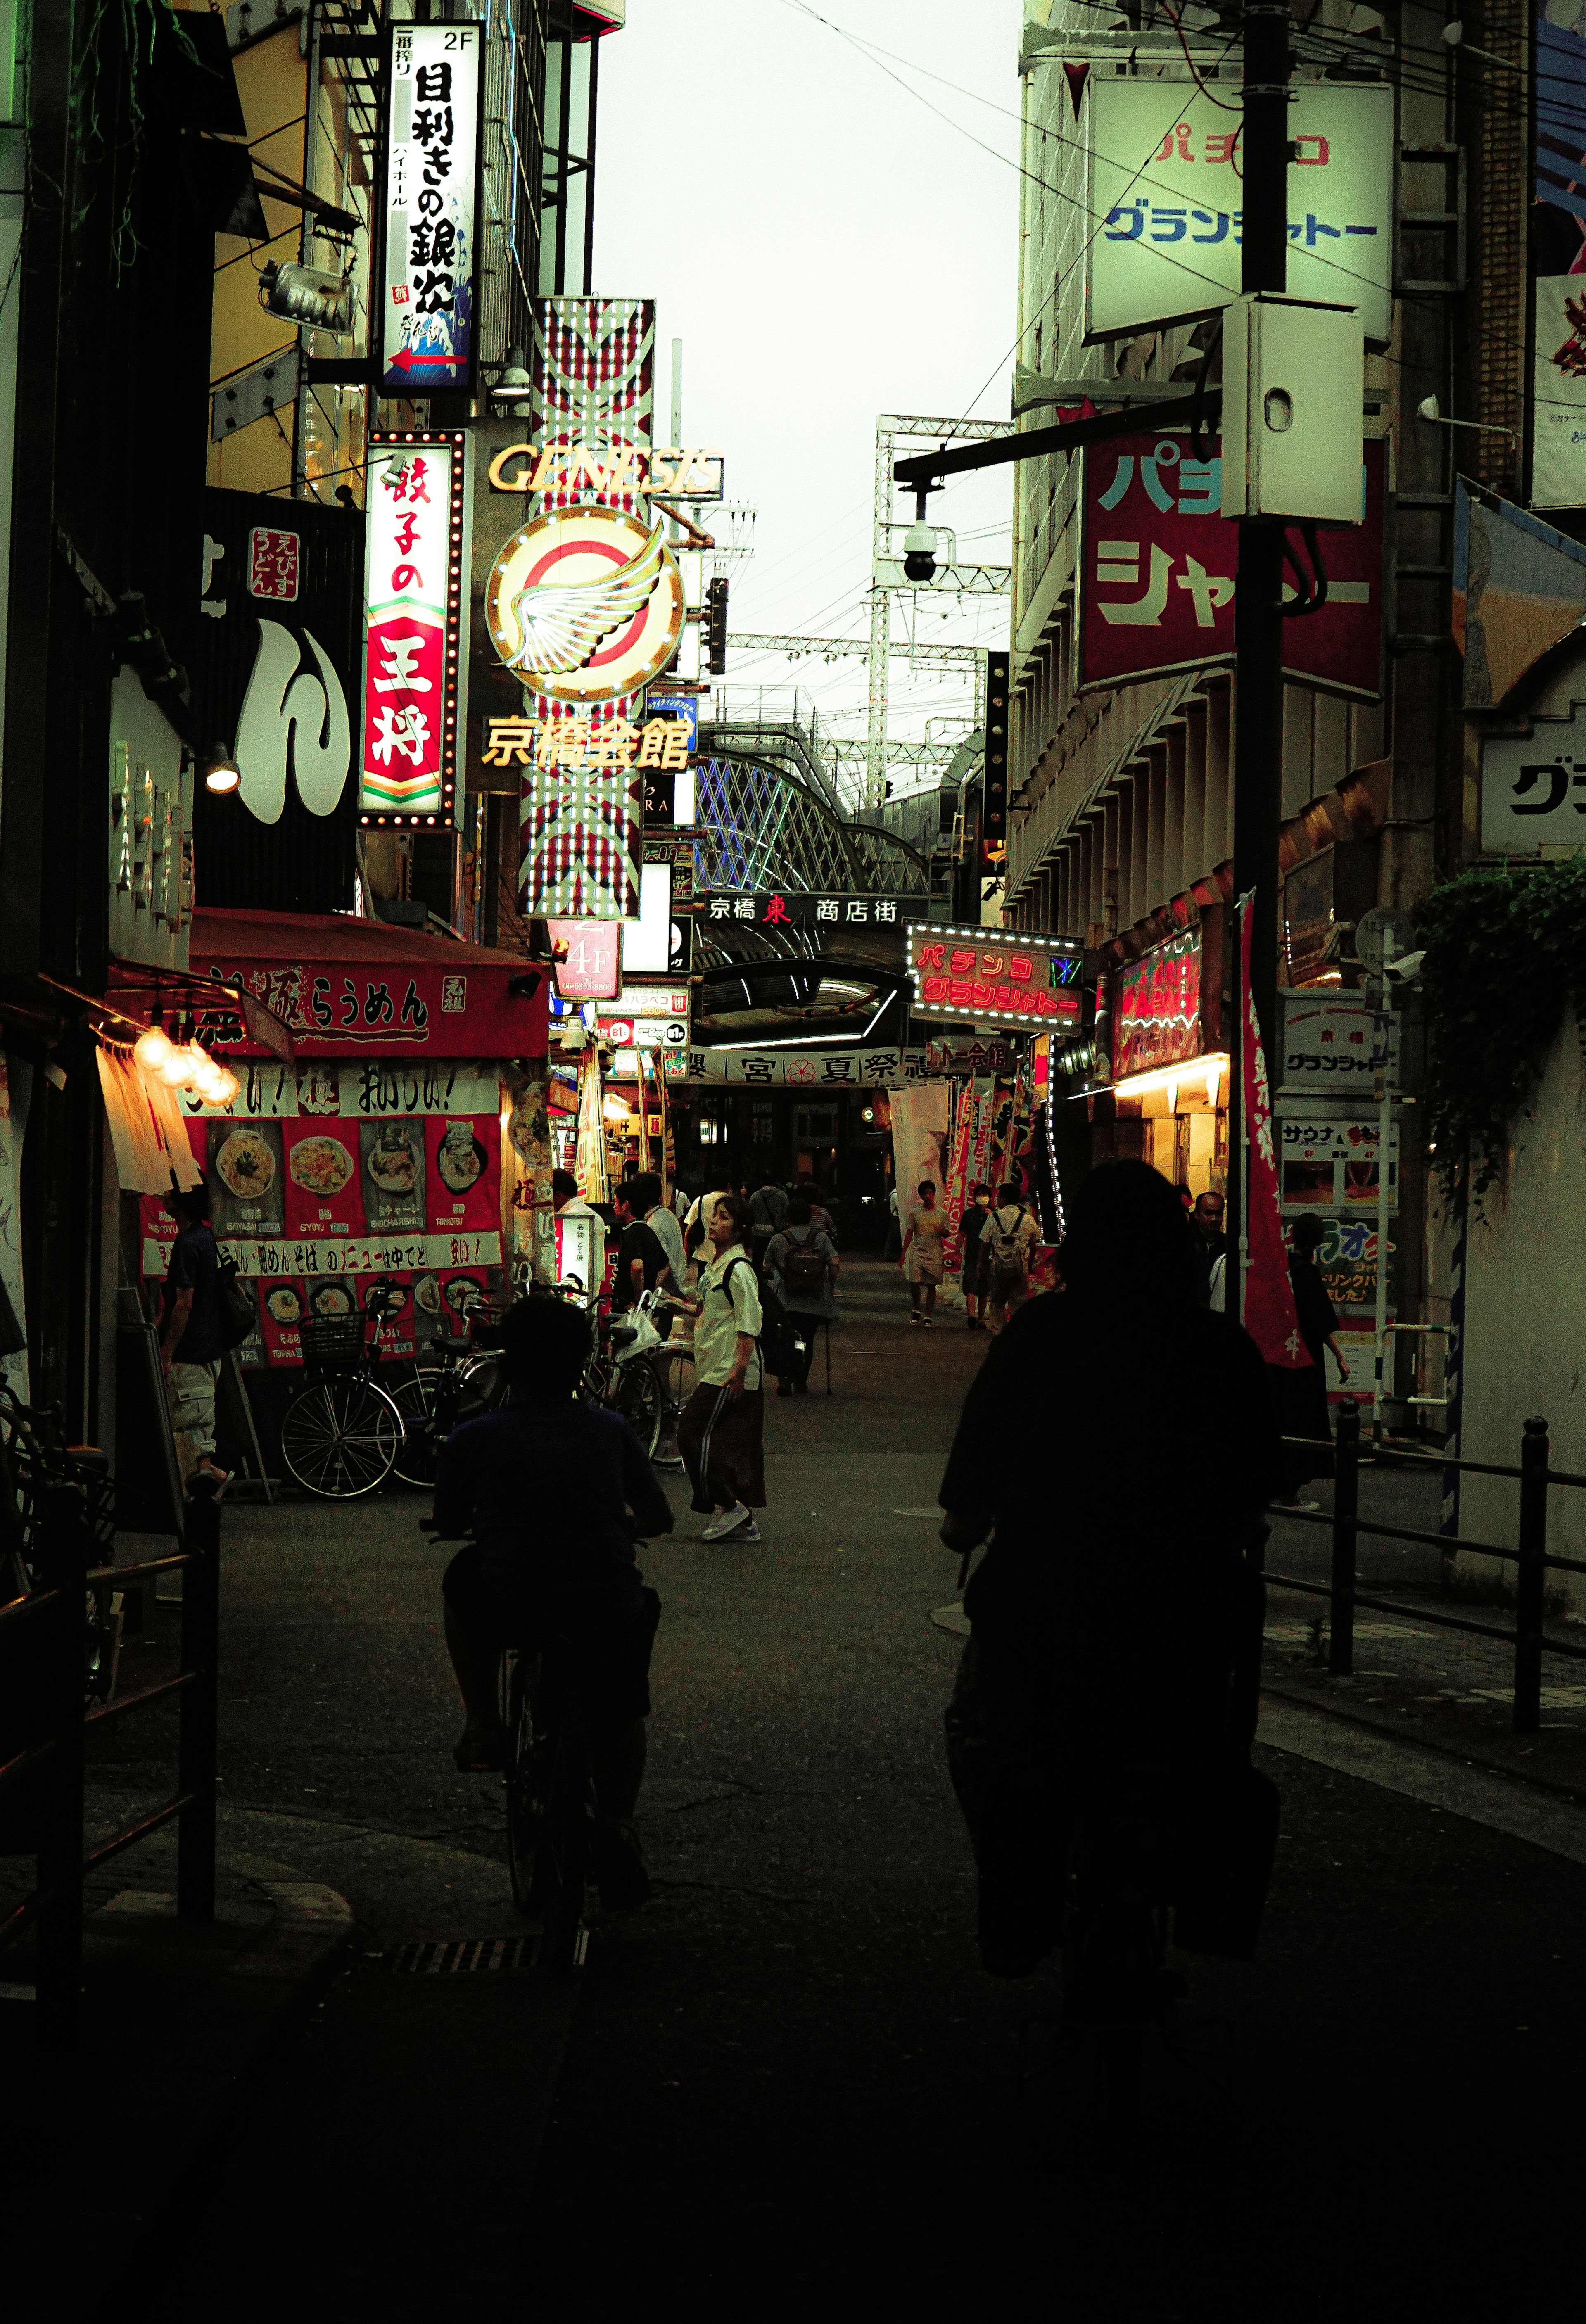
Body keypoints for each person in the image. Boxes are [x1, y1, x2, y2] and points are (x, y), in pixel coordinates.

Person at [936, 1161, 1283, 1977]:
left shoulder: (1037, 1336)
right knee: (1213, 1754)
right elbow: (1260, 1485)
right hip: (1189, 1612)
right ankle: (1202, 1904)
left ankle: (1017, 1912)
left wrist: (972, 1521)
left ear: (1078, 1243)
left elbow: (966, 1503)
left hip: (1043, 1604)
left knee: (990, 1740)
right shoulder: (1219, 1347)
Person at [433, 1296, 670, 1909]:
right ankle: (617, 1824)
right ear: (582, 1368)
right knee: (620, 1707)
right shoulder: (611, 1430)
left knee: (463, 1574)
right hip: (603, 1601)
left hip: (514, 1598)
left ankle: (485, 1722)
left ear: (508, 1367)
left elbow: (452, 1517)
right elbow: (658, 1515)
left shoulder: (475, 1435)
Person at [674, 1193, 765, 1541]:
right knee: (724, 1444)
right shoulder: (718, 1265)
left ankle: (731, 1506)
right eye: (714, 1216)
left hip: (728, 1372)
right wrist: (676, 1305)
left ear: (740, 1229)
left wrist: (739, 1370)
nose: (714, 1222)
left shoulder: (739, 1269)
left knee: (691, 1432)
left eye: (724, 1217)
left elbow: (749, 1321)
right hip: (715, 1367)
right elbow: (707, 1311)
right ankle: (743, 1521)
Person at [1269, 1215, 1350, 1513]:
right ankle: (1289, 1492)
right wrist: (1339, 1355)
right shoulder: (1308, 1274)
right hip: (1305, 1360)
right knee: (1303, 1423)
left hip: (1280, 1357)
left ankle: (1276, 1486)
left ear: (1292, 1235)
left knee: (1281, 1419)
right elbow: (1320, 1323)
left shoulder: (1283, 1271)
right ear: (1319, 1242)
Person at [158, 1177, 231, 1493]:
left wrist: (167, 1351)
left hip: (191, 1355)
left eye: (169, 1188)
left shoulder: (188, 1243)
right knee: (197, 1440)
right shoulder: (205, 1236)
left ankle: (200, 1504)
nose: (163, 1194)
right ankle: (210, 1486)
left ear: (181, 1197)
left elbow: (184, 1304)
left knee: (190, 1438)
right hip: (207, 1352)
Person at [765, 1196, 839, 1396]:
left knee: (786, 1340)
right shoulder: (821, 1239)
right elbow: (835, 1263)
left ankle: (785, 1379)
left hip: (786, 1303)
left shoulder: (779, 1239)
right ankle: (801, 1380)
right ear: (809, 1217)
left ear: (788, 1217)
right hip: (813, 1302)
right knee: (806, 1340)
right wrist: (829, 1286)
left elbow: (767, 1268)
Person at [980, 1183, 1040, 1335]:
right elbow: (1034, 1245)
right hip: (1020, 1268)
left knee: (997, 1302)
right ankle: (1015, 1333)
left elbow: (984, 1244)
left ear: (1003, 1199)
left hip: (998, 1269)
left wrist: (982, 1264)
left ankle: (1000, 1332)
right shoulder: (1027, 1219)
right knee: (1019, 1303)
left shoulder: (993, 1218)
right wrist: (1030, 1263)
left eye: (999, 1196)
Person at [610, 1177, 668, 1312]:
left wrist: (638, 1300)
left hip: (629, 1310)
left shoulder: (633, 1232)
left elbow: (637, 1267)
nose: (614, 1207)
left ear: (626, 1205)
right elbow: (666, 1265)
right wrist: (651, 1289)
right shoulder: (648, 1231)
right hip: (643, 1309)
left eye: (616, 1202)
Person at [552, 1168, 606, 1302]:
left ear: (558, 1195)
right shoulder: (595, 1216)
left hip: (570, 1299)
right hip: (590, 1294)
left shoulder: (568, 1218)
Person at [900, 1178, 947, 1326]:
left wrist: (941, 1231)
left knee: (931, 1285)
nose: (928, 1196)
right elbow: (909, 1233)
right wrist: (903, 1254)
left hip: (934, 1254)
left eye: (930, 1193)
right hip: (917, 1252)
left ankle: (928, 1315)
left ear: (934, 1194)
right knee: (915, 1282)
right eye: (925, 1193)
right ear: (921, 1196)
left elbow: (948, 1233)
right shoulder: (915, 1213)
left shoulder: (942, 1213)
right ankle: (917, 1308)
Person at [640, 1172, 686, 1294]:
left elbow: (667, 1265)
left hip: (664, 1294)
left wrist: (678, 1293)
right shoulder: (667, 1214)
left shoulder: (653, 1225)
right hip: (673, 1288)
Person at [959, 1182, 994, 1330]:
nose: (982, 1198)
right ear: (974, 1198)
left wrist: (991, 1217)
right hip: (972, 1255)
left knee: (984, 1289)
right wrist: (956, 1252)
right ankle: (972, 1316)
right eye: (979, 1195)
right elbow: (962, 1234)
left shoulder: (994, 1216)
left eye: (985, 1195)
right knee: (971, 1286)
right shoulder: (968, 1214)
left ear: (990, 1198)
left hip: (988, 1257)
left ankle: (981, 1319)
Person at [1191, 1189, 1227, 1306]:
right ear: (1196, 1214)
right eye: (1208, 1213)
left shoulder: (1228, 1244)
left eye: (1218, 1214)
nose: (1214, 1218)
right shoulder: (1186, 1242)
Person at [748, 1174, 788, 1268]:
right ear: (775, 1183)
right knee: (776, 1260)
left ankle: (758, 1278)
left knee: (757, 1259)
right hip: (777, 1233)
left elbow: (750, 1214)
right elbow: (787, 1214)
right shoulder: (782, 1196)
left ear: (761, 1183)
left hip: (757, 1234)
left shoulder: (755, 1196)